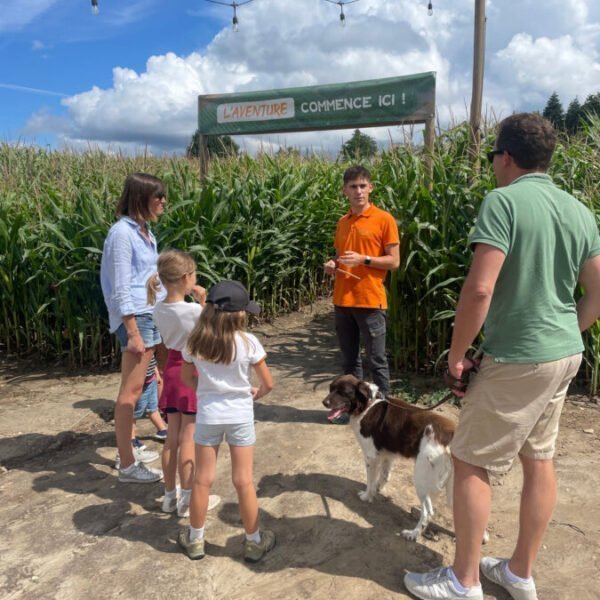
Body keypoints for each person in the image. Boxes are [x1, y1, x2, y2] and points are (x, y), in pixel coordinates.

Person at [404, 113, 600, 600]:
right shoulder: (579, 210)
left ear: (506, 156)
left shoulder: (503, 201)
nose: (494, 165)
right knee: (541, 459)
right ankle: (518, 571)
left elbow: (479, 289)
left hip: (516, 357)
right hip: (564, 355)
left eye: (494, 156)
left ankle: (463, 580)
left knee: (470, 462)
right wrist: (563, 331)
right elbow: (598, 292)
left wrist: (456, 356)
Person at [177, 280, 275, 562]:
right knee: (243, 480)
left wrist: (204, 393)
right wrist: (254, 395)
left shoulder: (195, 341)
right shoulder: (249, 343)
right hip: (240, 416)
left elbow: (185, 379)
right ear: (240, 314)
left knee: (202, 480)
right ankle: (254, 541)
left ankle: (196, 540)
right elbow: (268, 384)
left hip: (208, 416)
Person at [100, 172, 167, 484]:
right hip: (135, 318)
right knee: (130, 392)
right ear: (141, 198)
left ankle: (128, 449)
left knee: (141, 386)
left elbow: (151, 280)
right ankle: (126, 463)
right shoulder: (122, 234)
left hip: (148, 314)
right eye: (159, 196)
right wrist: (133, 331)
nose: (164, 202)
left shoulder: (145, 233)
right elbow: (121, 288)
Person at [146, 249, 221, 518]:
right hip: (192, 372)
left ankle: (169, 496)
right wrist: (203, 301)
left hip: (172, 373)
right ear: (187, 277)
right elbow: (212, 333)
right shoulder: (191, 310)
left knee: (172, 439)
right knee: (190, 438)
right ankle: (189, 498)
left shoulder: (157, 307)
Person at [323, 165, 400, 419]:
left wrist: (364, 259)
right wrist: (334, 265)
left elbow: (394, 261)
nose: (358, 191)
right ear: (345, 190)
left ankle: (384, 414)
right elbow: (339, 255)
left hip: (370, 302)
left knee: (377, 361)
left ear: (371, 188)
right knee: (349, 362)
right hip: (342, 301)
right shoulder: (343, 222)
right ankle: (351, 410)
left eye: (363, 186)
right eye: (353, 187)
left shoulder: (384, 219)